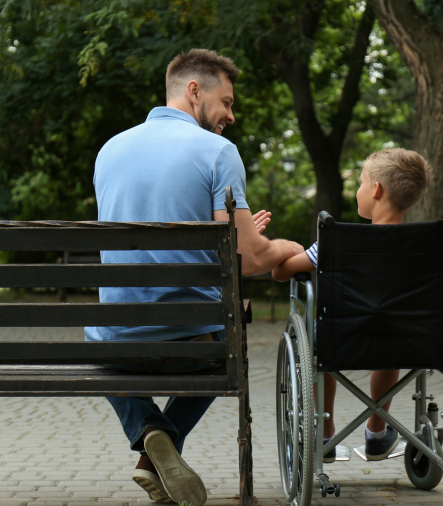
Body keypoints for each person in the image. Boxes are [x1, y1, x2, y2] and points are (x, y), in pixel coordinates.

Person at [85, 48, 303, 505]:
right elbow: (250, 260)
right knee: (232, 338)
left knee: (102, 336)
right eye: (226, 102)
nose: (231, 115)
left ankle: (148, 434)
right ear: (193, 90)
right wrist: (287, 247)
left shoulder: (110, 150)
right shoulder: (218, 152)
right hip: (189, 348)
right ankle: (159, 442)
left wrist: (233, 237)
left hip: (118, 348)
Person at [271, 148, 443, 463]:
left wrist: (283, 250)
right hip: (414, 339)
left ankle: (325, 432)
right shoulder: (429, 245)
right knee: (390, 332)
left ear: (376, 189)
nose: (358, 190)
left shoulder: (335, 243)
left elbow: (280, 272)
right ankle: (376, 431)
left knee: (323, 339)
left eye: (360, 182)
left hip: (342, 339)